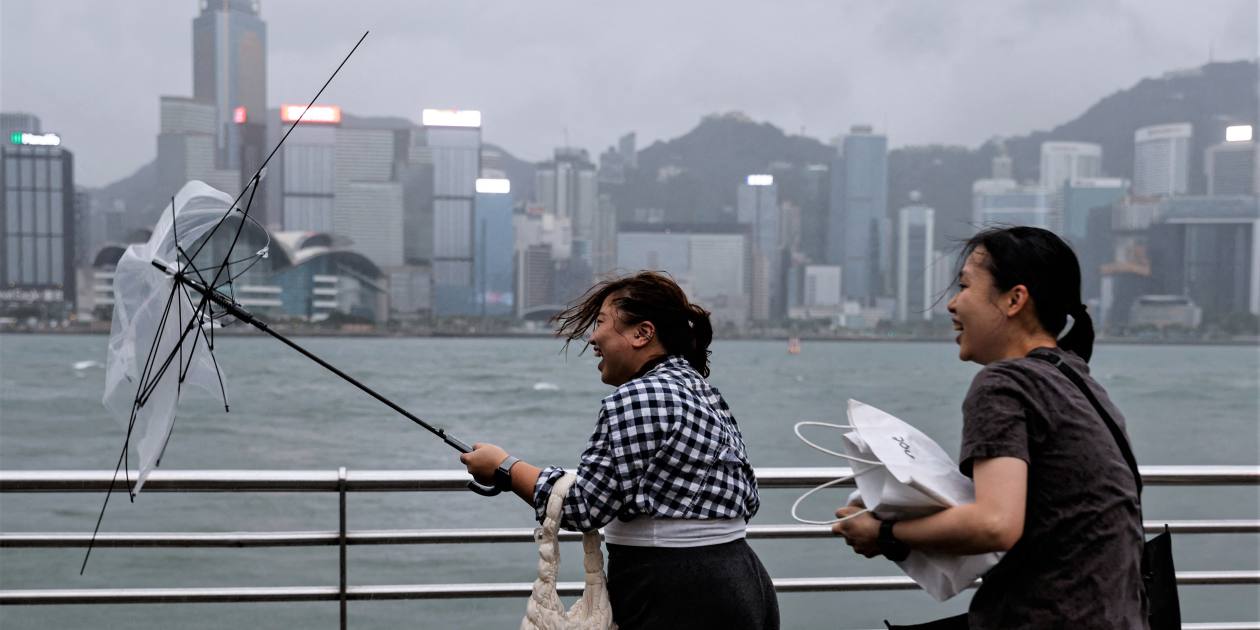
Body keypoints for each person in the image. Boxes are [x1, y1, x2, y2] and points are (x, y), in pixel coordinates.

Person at [833, 227, 1147, 628]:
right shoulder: (1079, 381)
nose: (952, 304)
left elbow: (996, 524)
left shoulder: (1005, 383)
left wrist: (886, 533)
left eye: (964, 286)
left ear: (1014, 299)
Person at [460, 271, 779, 630]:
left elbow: (585, 507)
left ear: (642, 333)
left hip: (677, 590)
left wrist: (504, 467)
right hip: (742, 580)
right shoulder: (699, 389)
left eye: (600, 323)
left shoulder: (638, 395)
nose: (592, 337)